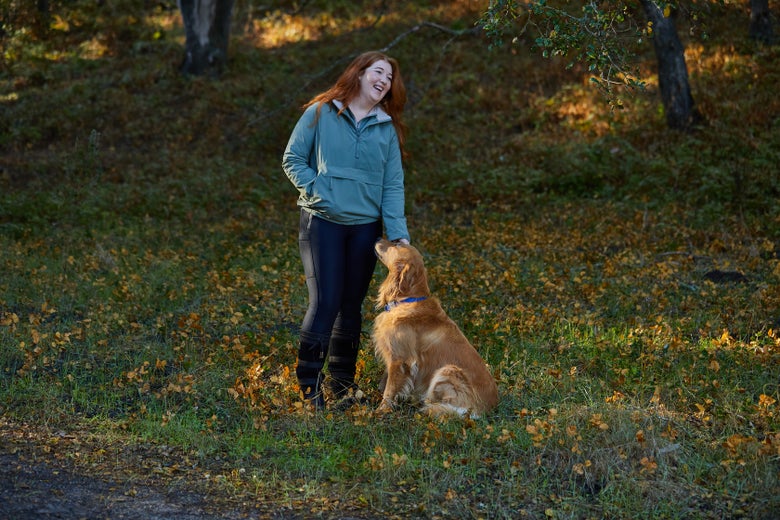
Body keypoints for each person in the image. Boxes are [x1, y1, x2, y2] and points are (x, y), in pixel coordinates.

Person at [282, 51, 411, 409]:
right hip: (322, 222)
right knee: (326, 302)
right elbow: (292, 159)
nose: (384, 80)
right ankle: (309, 388)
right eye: (378, 72)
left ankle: (341, 386)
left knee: (351, 307)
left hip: (364, 229)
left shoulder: (386, 128)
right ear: (359, 73)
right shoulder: (321, 112)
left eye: (389, 78)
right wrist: (319, 192)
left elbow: (393, 184)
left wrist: (398, 233)